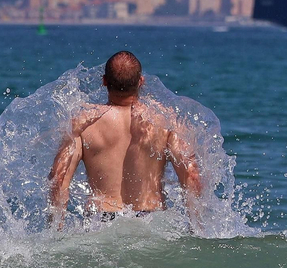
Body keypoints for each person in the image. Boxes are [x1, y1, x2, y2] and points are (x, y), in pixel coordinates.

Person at [48, 51, 204, 228]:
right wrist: (197, 229)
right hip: (151, 223)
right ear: (141, 81)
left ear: (104, 81)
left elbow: (58, 178)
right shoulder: (165, 121)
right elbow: (192, 176)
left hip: (101, 224)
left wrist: (55, 231)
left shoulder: (83, 123)